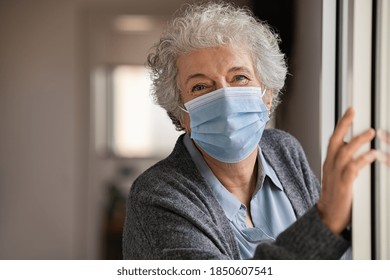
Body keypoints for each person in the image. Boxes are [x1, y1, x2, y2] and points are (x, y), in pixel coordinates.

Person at [122, 2, 377, 259]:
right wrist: (325, 221)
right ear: (181, 114)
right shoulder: (157, 197)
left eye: (239, 78)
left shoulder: (285, 151)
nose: (225, 96)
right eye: (200, 87)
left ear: (268, 95)